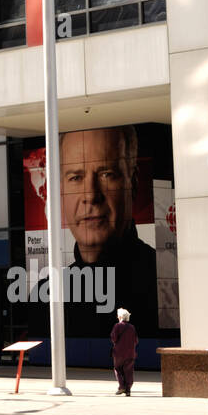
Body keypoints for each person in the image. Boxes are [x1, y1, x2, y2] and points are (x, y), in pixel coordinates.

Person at [57, 126, 158, 338]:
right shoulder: (48, 297)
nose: (91, 195)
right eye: (75, 178)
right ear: (60, 192)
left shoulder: (163, 286)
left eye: (107, 174)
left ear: (133, 183)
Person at [110, 308, 139, 395]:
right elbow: (136, 340)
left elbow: (114, 338)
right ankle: (128, 390)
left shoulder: (117, 326)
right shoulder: (132, 327)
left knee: (117, 369)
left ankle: (122, 387)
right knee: (129, 371)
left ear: (120, 316)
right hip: (130, 353)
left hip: (119, 353)